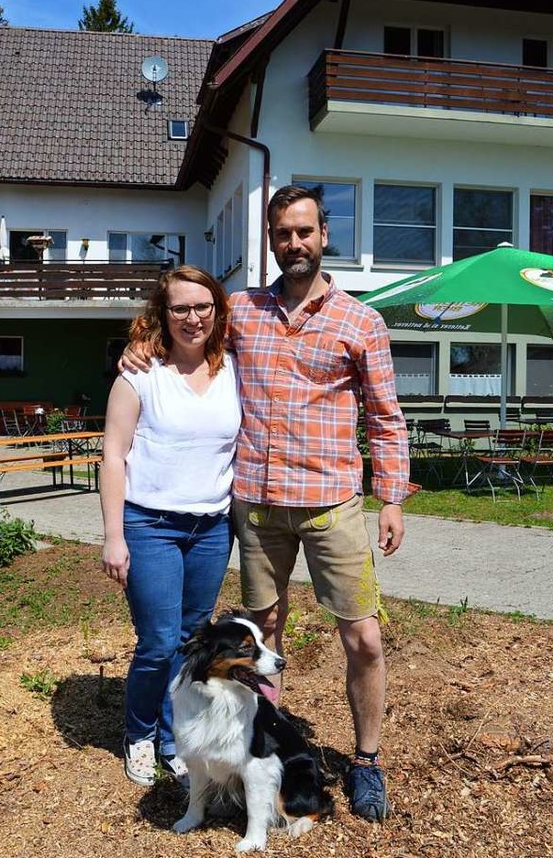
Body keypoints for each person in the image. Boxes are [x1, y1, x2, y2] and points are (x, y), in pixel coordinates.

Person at [122, 185, 412, 821]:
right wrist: (140, 343)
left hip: (332, 501)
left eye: (304, 231)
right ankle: (266, 744)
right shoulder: (242, 311)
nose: (294, 244)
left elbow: (386, 418)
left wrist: (391, 496)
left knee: (362, 637)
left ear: (324, 234)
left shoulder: (361, 322)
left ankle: (365, 762)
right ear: (271, 241)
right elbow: (183, 325)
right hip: (254, 505)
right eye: (282, 234)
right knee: (263, 634)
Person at [101, 265, 241, 788]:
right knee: (158, 641)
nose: (192, 317)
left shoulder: (234, 369)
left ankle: (171, 737)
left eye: (202, 306)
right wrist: (114, 536)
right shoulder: (139, 374)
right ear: (162, 314)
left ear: (217, 311)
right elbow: (112, 457)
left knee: (189, 641)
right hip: (150, 525)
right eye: (179, 308)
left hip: (210, 528)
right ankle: (139, 734)